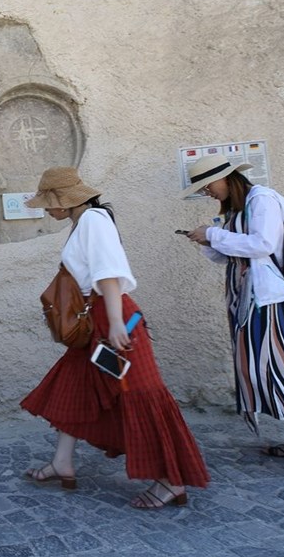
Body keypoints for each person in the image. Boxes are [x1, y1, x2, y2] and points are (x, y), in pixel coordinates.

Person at [20, 167, 210, 509]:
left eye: (48, 202)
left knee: (139, 393)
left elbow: (107, 274)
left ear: (64, 200)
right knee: (73, 385)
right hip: (98, 318)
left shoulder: (93, 221)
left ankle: (171, 481)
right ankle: (62, 462)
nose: (45, 209)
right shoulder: (85, 221)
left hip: (110, 317)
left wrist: (116, 324)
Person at [182, 153, 284, 488]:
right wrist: (204, 240)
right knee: (259, 370)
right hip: (245, 300)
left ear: (226, 177)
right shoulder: (237, 209)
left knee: (276, 369)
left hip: (263, 299)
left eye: (207, 184)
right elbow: (230, 255)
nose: (206, 191)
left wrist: (213, 234)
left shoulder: (261, 199)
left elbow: (263, 244)